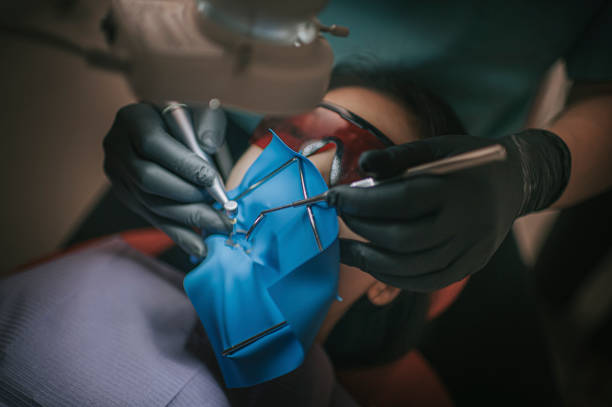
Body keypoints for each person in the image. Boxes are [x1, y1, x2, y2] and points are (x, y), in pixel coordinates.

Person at [1, 63, 475, 406]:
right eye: (291, 132)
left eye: (365, 171)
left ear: (392, 274)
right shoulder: (95, 273)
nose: (295, 168)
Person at [103, 0, 612, 293]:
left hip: (451, 193)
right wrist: (171, 60)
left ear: (383, 288)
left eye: (341, 174)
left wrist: (533, 171)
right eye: (283, 142)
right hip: (220, 120)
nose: (284, 186)